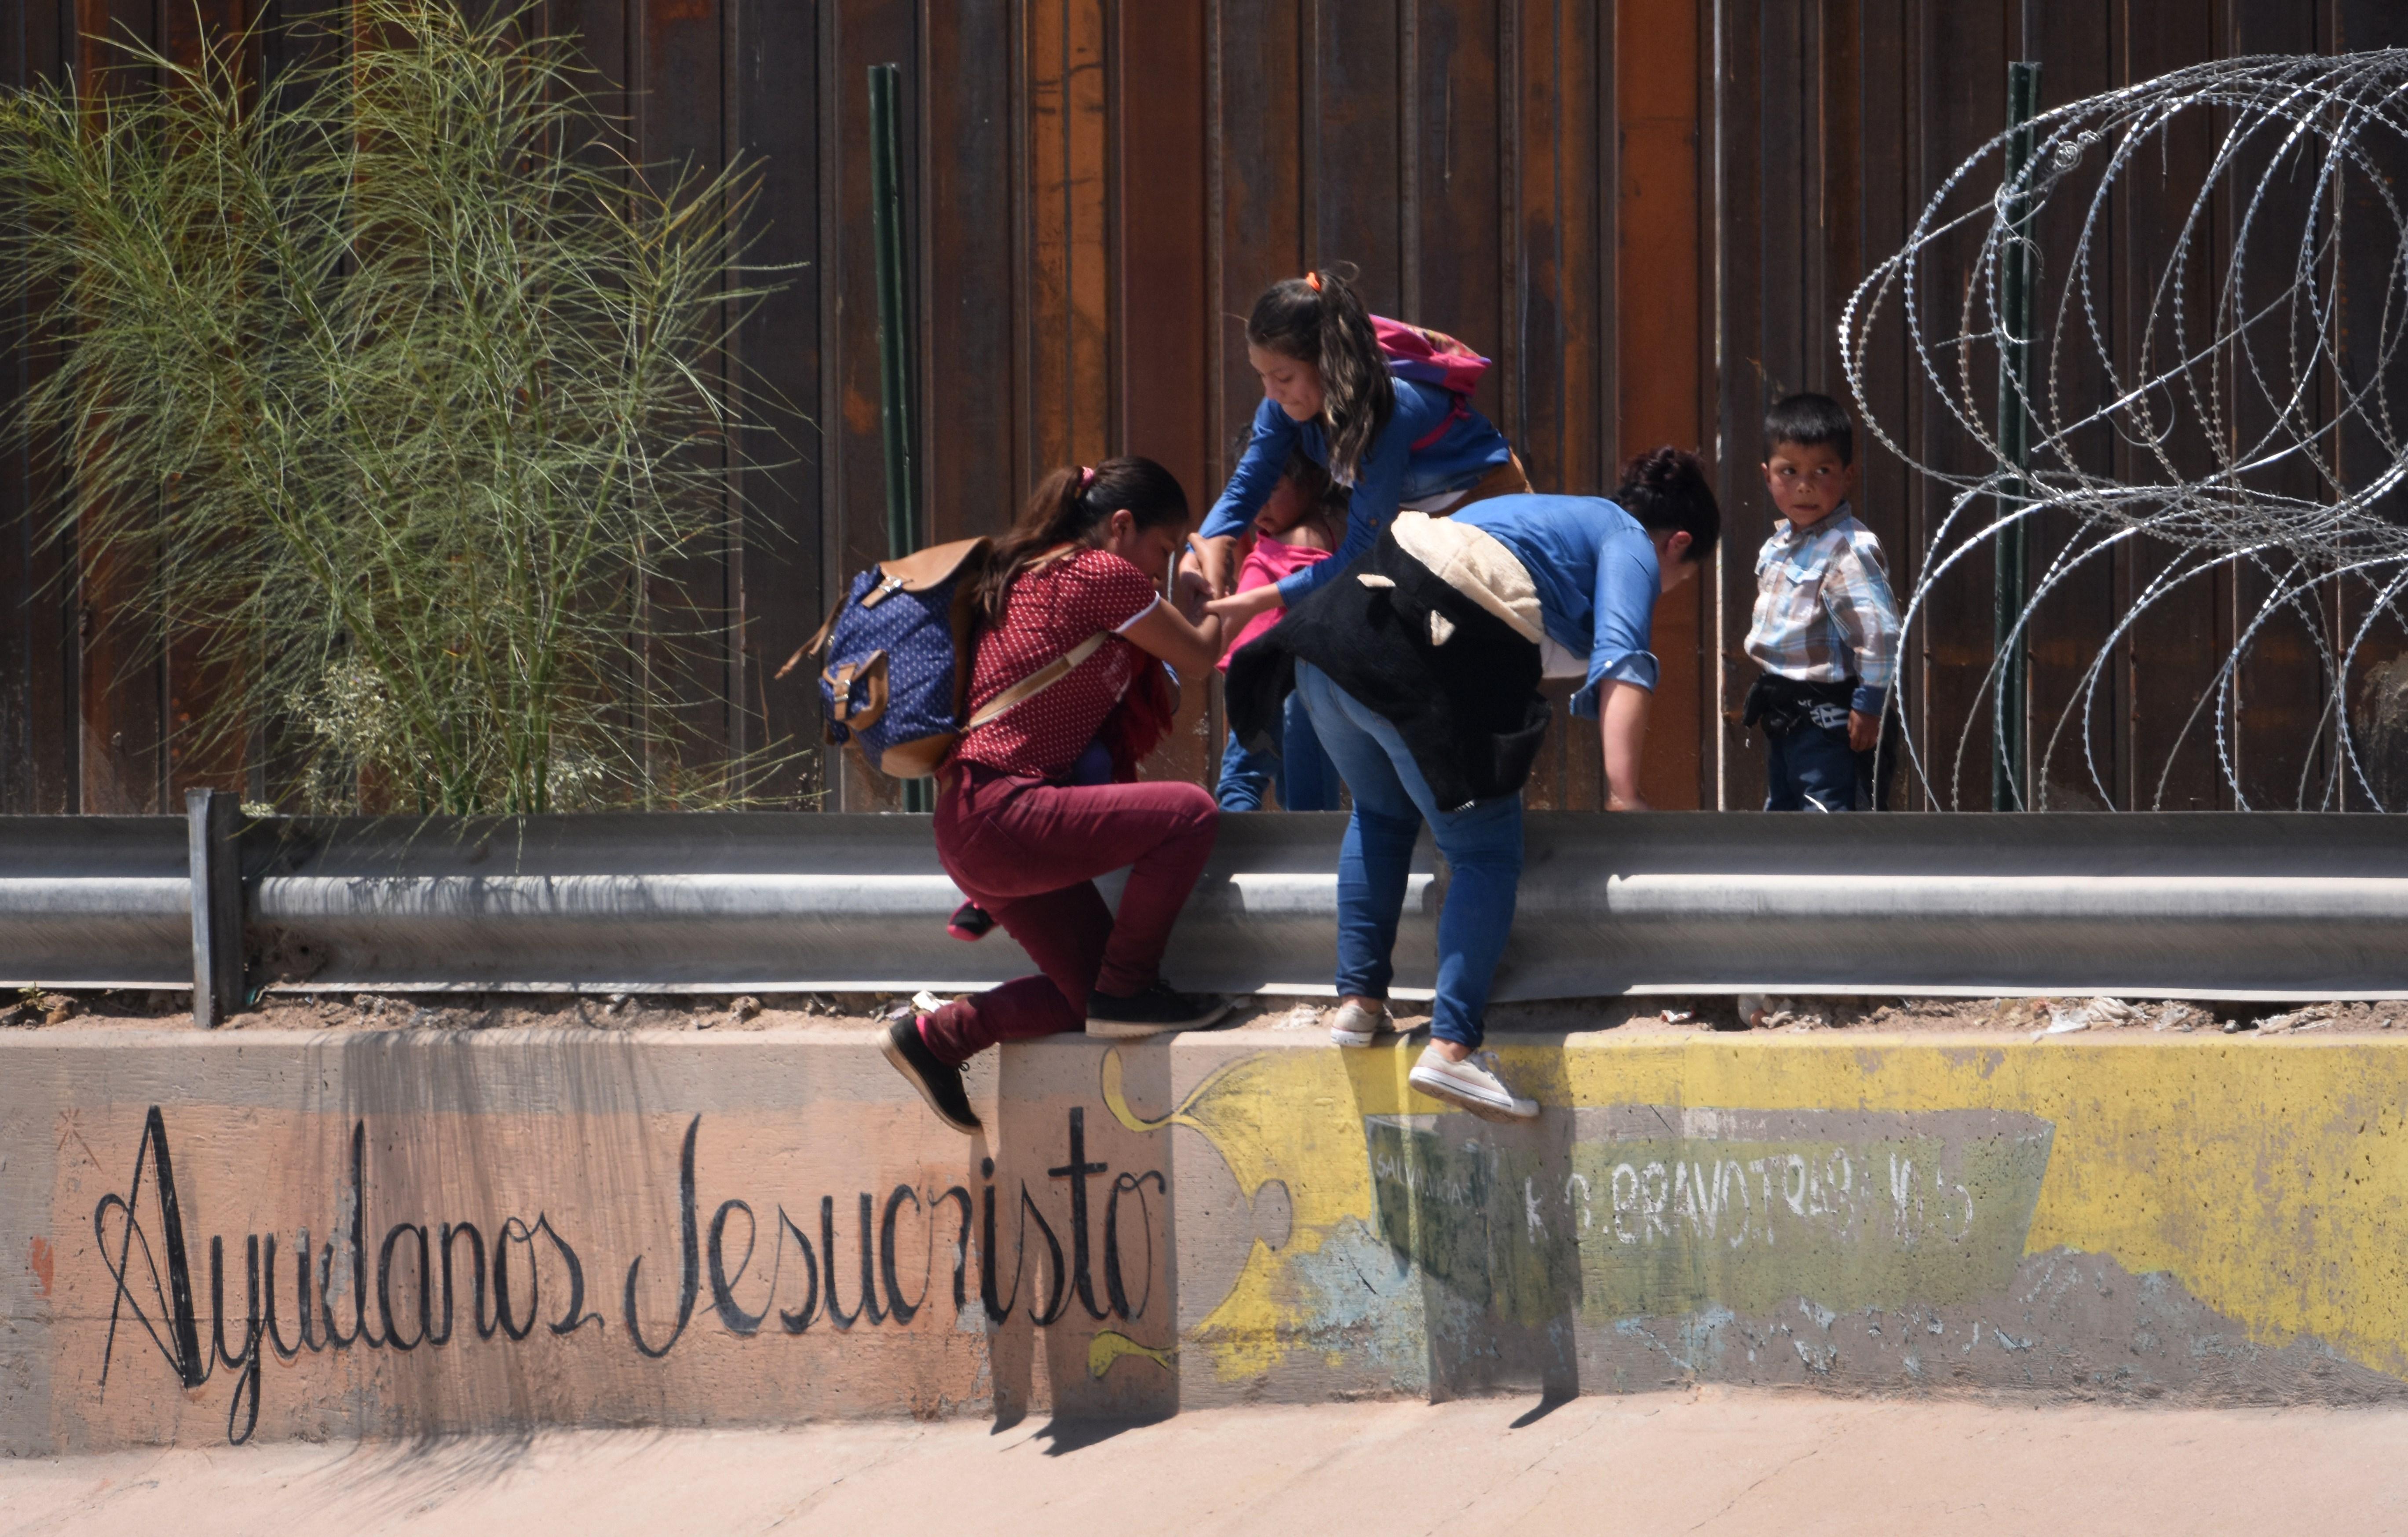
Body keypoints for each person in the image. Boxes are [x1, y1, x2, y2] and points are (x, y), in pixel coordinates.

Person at [1219, 449, 1721, 1120]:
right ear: (1677, 543)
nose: (1667, 589)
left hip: (1329, 643)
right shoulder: (1627, 537)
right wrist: (1624, 795)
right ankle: (1452, 1048)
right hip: (1414, 649)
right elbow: (1623, 663)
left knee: (1379, 813)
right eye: (1680, 579)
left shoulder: (1529, 515)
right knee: (1484, 848)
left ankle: (1358, 1003)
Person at [881, 458, 1233, 1136]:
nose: (1161, 569)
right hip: (1006, 815)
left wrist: (1190, 608)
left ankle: (937, 1038)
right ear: (1120, 525)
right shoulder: (1096, 573)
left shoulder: (1035, 574)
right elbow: (1196, 656)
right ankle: (1134, 987)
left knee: (1085, 1001)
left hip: (972, 824)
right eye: (1162, 550)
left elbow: (1176, 649)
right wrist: (1214, 575)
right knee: (1190, 814)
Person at [1180, 267, 1528, 629]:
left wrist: (1258, 600)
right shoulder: (1280, 406)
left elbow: (1362, 549)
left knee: (1484, 636)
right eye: (1261, 376)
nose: (1270, 394)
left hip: (1484, 501)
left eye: (1282, 378)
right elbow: (1248, 483)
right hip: (1409, 514)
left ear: (1328, 364)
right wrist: (1198, 553)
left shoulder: (1388, 409)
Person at [1741, 393, 1902, 813]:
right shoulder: (1778, 546)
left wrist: (1869, 704)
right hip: (1785, 713)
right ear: (1767, 475)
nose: (1804, 485)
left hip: (1831, 720)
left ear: (1848, 475)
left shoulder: (1847, 550)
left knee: (1828, 815)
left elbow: (1879, 633)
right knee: (1783, 813)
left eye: (1822, 471)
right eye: (1789, 471)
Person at [1214, 453, 1344, 811]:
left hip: (1271, 682)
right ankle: (1313, 858)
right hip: (1280, 680)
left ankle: (1236, 853)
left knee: (1242, 778)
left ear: (1313, 481)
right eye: (1253, 492)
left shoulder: (1303, 537)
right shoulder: (1302, 529)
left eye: (1271, 489)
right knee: (1304, 784)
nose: (1260, 505)